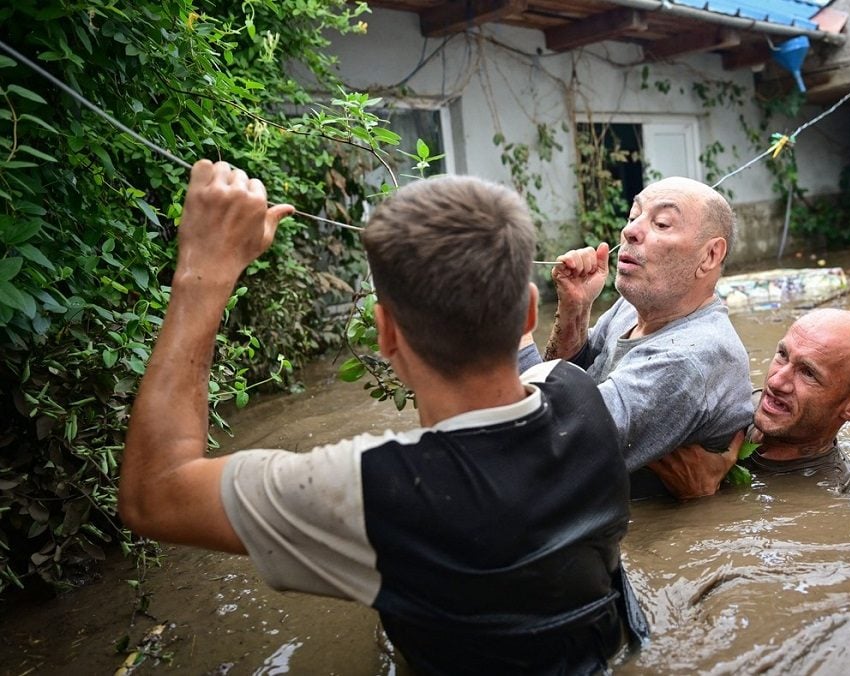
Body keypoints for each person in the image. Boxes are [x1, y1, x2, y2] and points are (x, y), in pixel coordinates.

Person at [118, 161, 647, 674]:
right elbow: (536, 375)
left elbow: (154, 493)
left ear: (386, 334)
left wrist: (202, 273)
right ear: (530, 312)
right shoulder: (579, 392)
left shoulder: (373, 489)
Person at [518, 176, 754, 498]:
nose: (630, 231)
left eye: (661, 223)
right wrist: (575, 310)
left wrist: (513, 332)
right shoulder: (634, 308)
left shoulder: (689, 357)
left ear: (710, 255)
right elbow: (571, 379)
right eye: (633, 217)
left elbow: (546, 444)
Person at [647, 308, 850, 498]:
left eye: (808, 373)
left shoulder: (822, 497)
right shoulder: (731, 402)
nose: (776, 382)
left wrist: (699, 498)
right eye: (782, 355)